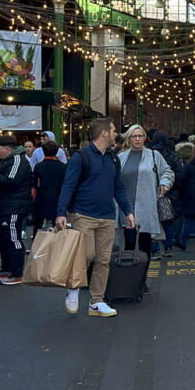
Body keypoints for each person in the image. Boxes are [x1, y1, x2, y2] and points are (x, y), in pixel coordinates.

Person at [55, 117, 136, 318]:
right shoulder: (80, 157)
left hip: (107, 216)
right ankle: (73, 289)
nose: (116, 134)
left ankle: (96, 301)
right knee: (87, 255)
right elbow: (68, 185)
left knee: (103, 260)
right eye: (114, 130)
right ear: (104, 133)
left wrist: (128, 211)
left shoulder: (113, 158)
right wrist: (60, 212)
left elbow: (118, 187)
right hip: (83, 214)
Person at [0, 135, 34, 286]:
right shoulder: (1, 160)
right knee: (1, 239)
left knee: (13, 238)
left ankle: (17, 272)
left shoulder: (18, 161)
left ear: (7, 148)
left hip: (13, 206)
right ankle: (6, 268)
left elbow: (12, 182)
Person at [117, 125, 174, 257]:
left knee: (145, 245)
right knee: (129, 243)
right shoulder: (121, 157)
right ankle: (129, 273)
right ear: (129, 139)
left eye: (140, 136)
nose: (137, 139)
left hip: (146, 205)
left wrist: (165, 183)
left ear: (145, 138)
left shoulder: (154, 155)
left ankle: (142, 273)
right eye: (134, 136)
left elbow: (167, 171)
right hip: (126, 206)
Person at [147, 130, 183, 257]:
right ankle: (168, 247)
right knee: (167, 220)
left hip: (150, 192)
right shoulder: (173, 155)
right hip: (168, 192)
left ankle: (154, 249)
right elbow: (178, 175)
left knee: (152, 221)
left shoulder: (148, 154)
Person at [31, 140, 66, 237]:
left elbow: (34, 185)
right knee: (57, 223)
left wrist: (32, 199)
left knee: (38, 224)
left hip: (41, 197)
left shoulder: (39, 166)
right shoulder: (62, 167)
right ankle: (58, 243)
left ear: (43, 151)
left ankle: (36, 243)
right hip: (57, 197)